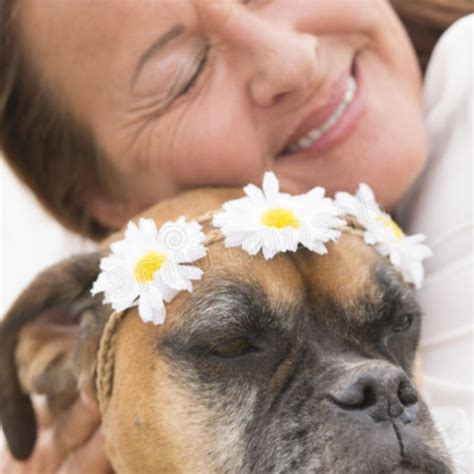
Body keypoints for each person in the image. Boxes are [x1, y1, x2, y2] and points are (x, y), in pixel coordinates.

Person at [0, 1, 472, 472]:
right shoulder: (127, 303)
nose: (295, 57)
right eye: (185, 75)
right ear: (107, 202)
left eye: (398, 325)